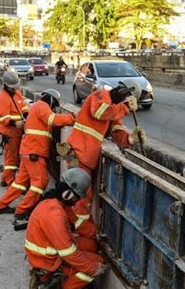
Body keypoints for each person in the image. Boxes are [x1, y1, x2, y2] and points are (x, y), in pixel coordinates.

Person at [59, 79, 146, 237]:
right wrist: (125, 107)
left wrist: (131, 139)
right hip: (77, 152)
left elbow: (118, 133)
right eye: (126, 99)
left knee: (81, 194)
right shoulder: (101, 94)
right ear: (122, 92)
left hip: (84, 155)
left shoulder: (113, 110)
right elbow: (99, 112)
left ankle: (74, 227)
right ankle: (78, 231)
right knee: (82, 195)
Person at [25, 168, 106, 289]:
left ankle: (44, 278)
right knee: (96, 262)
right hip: (47, 260)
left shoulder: (57, 202)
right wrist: (93, 268)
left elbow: (77, 224)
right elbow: (68, 253)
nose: (77, 201)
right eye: (77, 197)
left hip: (49, 251)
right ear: (68, 193)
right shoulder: (55, 214)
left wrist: (94, 233)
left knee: (90, 245)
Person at [0, 89, 76, 218]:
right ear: (51, 100)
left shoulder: (36, 108)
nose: (53, 108)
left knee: (20, 183)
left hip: (28, 150)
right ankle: (22, 210)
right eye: (54, 105)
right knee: (40, 183)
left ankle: (0, 205)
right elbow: (52, 119)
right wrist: (72, 118)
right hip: (34, 152)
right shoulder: (42, 106)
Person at [0, 71, 30, 187]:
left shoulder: (17, 94)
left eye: (15, 87)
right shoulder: (1, 98)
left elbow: (24, 108)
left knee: (15, 157)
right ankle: (10, 182)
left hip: (18, 131)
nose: (14, 89)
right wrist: (14, 123)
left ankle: (5, 179)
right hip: (9, 133)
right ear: (5, 85)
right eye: (12, 87)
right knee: (11, 159)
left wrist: (27, 116)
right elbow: (4, 117)